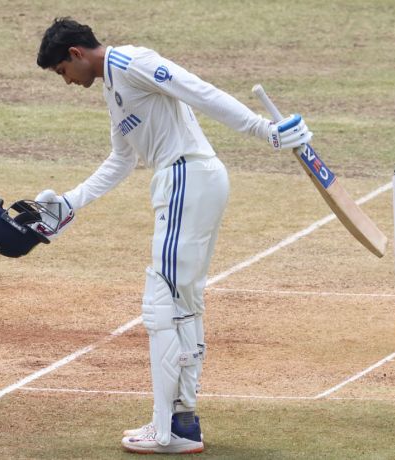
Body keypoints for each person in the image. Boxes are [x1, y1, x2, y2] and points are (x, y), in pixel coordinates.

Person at [33, 17, 311, 454]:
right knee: (182, 304)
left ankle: (169, 431)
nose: (66, 82)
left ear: (75, 54)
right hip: (185, 181)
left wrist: (263, 130)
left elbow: (195, 88)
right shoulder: (112, 87)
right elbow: (121, 160)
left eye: (62, 72)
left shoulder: (130, 62)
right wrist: (69, 203)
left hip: (187, 178)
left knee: (162, 301)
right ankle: (182, 422)